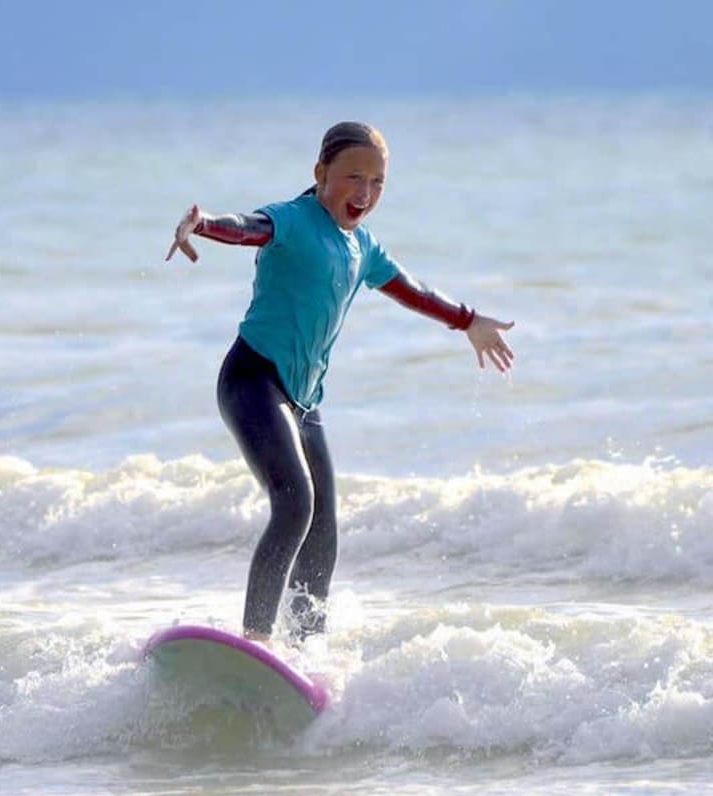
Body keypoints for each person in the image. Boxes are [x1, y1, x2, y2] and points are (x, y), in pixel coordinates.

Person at [166, 121, 514, 645]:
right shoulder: (294, 220)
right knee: (294, 503)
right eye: (354, 177)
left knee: (324, 525)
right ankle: (255, 643)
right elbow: (248, 226)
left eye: (377, 182)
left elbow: (412, 290)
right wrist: (204, 224)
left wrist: (468, 321)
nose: (365, 193)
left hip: (304, 401)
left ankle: (305, 648)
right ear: (321, 173)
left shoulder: (362, 247)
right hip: (253, 380)